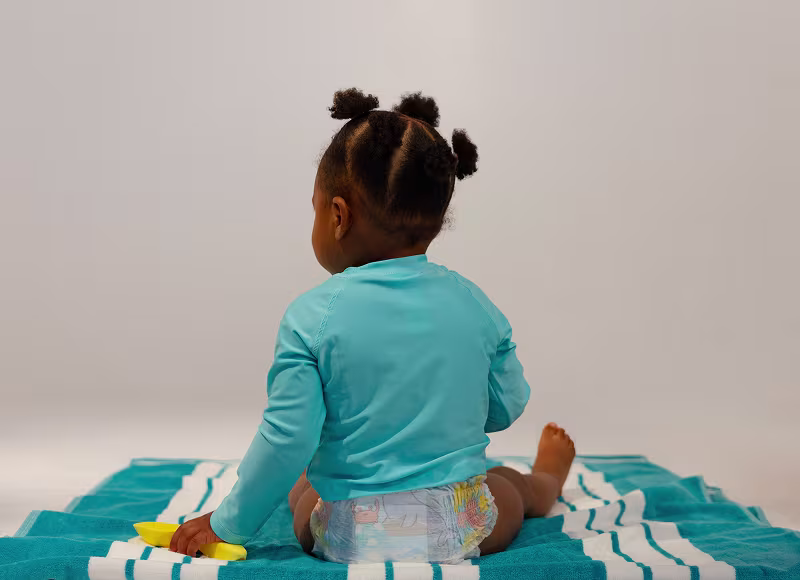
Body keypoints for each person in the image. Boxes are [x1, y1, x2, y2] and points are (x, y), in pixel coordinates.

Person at [170, 88, 575, 563]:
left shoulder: (310, 318)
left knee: (304, 483)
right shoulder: (474, 304)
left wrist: (225, 524)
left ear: (338, 216)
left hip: (349, 534)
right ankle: (544, 483)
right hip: (459, 525)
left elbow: (288, 438)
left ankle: (316, 497)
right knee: (506, 483)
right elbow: (506, 407)